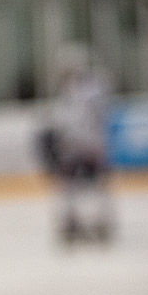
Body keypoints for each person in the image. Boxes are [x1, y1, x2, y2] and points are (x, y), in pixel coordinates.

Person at [39, 43, 114, 244]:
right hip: (95, 144)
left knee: (72, 182)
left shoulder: (77, 90)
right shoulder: (97, 85)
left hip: (79, 145)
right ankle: (99, 219)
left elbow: (70, 120)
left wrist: (59, 134)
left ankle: (77, 220)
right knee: (95, 183)